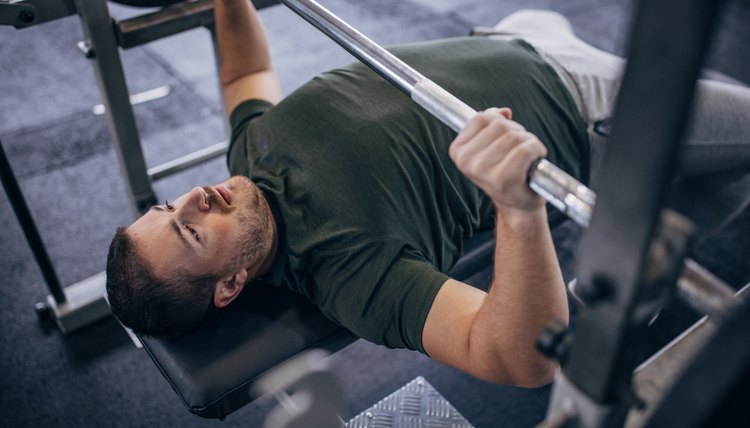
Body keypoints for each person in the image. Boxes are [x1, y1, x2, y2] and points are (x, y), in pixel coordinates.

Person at [105, 0, 750, 387]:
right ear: (229, 286)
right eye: (188, 230)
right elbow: (517, 361)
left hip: (511, 33)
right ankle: (622, 243)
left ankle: (632, 241)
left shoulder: (244, 160)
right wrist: (516, 207)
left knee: (726, 172)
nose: (193, 198)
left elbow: (246, 71)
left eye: (167, 208)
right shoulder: (345, 275)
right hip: (590, 111)